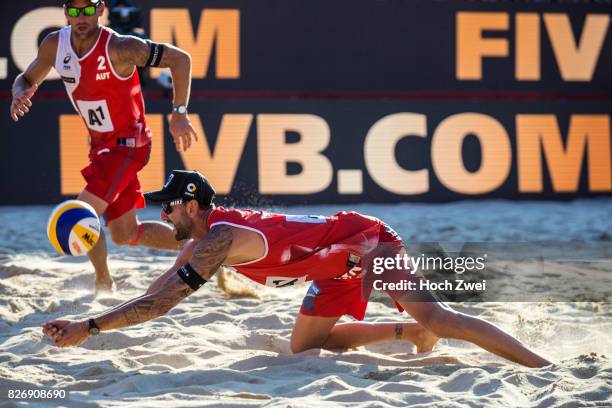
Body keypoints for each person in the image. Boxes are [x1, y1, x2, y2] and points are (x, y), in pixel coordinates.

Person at [42, 170, 552, 368]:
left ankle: (539, 365)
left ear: (192, 205)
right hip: (330, 268)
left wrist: (90, 327)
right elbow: (160, 286)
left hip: (365, 241)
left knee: (441, 316)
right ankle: (408, 332)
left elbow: (162, 302)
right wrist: (101, 315)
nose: (163, 214)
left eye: (169, 207)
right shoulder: (204, 236)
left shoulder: (216, 240)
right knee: (306, 348)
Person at [10, 0, 198, 292]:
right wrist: (20, 93)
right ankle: (199, 247)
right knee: (126, 233)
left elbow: (181, 59)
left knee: (81, 212)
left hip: (129, 143)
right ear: (65, 12)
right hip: (101, 145)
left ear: (101, 10)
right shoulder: (55, 44)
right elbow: (25, 78)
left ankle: (103, 284)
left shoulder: (121, 47)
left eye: (88, 9)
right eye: (74, 10)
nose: (81, 16)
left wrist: (179, 113)